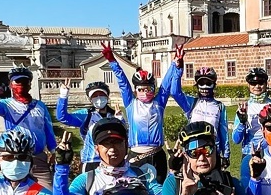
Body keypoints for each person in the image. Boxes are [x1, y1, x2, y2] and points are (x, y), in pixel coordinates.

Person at [103, 41, 182, 182]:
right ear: (135, 90)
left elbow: (166, 84)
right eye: (141, 89)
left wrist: (175, 64)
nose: (145, 92)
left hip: (157, 155)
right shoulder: (131, 104)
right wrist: (112, 61)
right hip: (136, 156)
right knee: (137, 191)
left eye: (149, 89)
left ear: (153, 89)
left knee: (159, 192)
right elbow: (123, 83)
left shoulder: (159, 103)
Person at [0, 64, 57, 186]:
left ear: (30, 84)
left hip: (38, 158)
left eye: (24, 82)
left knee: (48, 192)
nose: (21, 85)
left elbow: (48, 129)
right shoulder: (6, 105)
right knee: (17, 193)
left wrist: (54, 151)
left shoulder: (40, 106)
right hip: (16, 159)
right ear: (10, 85)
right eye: (17, 82)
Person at [174, 67, 231, 167]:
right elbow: (175, 92)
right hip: (193, 152)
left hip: (212, 152)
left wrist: (226, 155)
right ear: (197, 85)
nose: (205, 86)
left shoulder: (219, 106)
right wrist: (178, 69)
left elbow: (224, 132)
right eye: (201, 83)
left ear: (214, 85)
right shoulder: (192, 103)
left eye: (208, 83)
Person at [55, 80, 120, 167]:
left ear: (107, 97)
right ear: (90, 100)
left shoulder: (115, 115)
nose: (99, 98)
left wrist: (120, 120)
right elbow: (62, 117)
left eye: (101, 95)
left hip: (113, 159)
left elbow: (124, 136)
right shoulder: (86, 115)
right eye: (95, 96)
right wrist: (63, 95)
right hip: (91, 160)